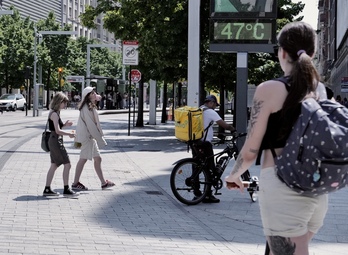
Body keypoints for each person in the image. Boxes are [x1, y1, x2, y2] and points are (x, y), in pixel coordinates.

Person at [224, 22, 328, 255]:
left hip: (283, 188)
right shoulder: (319, 91)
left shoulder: (269, 89)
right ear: (311, 53)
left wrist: (233, 175)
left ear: (282, 52)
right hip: (316, 188)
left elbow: (251, 150)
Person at [72, 87, 115, 191]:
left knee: (98, 158)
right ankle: (75, 183)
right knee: (83, 158)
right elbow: (91, 125)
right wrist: (100, 139)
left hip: (90, 137)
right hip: (87, 137)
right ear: (88, 96)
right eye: (92, 93)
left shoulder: (90, 106)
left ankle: (103, 183)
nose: (95, 94)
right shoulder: (87, 108)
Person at [195, 95, 235, 203]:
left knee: (197, 166)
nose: (215, 107)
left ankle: (197, 193)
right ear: (211, 102)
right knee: (209, 168)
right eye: (215, 105)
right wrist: (232, 129)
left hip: (196, 142)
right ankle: (207, 195)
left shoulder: (199, 109)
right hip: (205, 144)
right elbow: (223, 125)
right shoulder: (210, 112)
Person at [43, 92, 78, 197]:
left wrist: (65, 125)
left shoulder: (55, 113)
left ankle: (47, 189)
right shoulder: (54, 114)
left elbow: (57, 128)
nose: (65, 105)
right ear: (59, 102)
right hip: (56, 141)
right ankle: (66, 189)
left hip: (55, 140)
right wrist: (70, 134)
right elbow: (57, 131)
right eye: (64, 103)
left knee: (54, 165)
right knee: (67, 164)